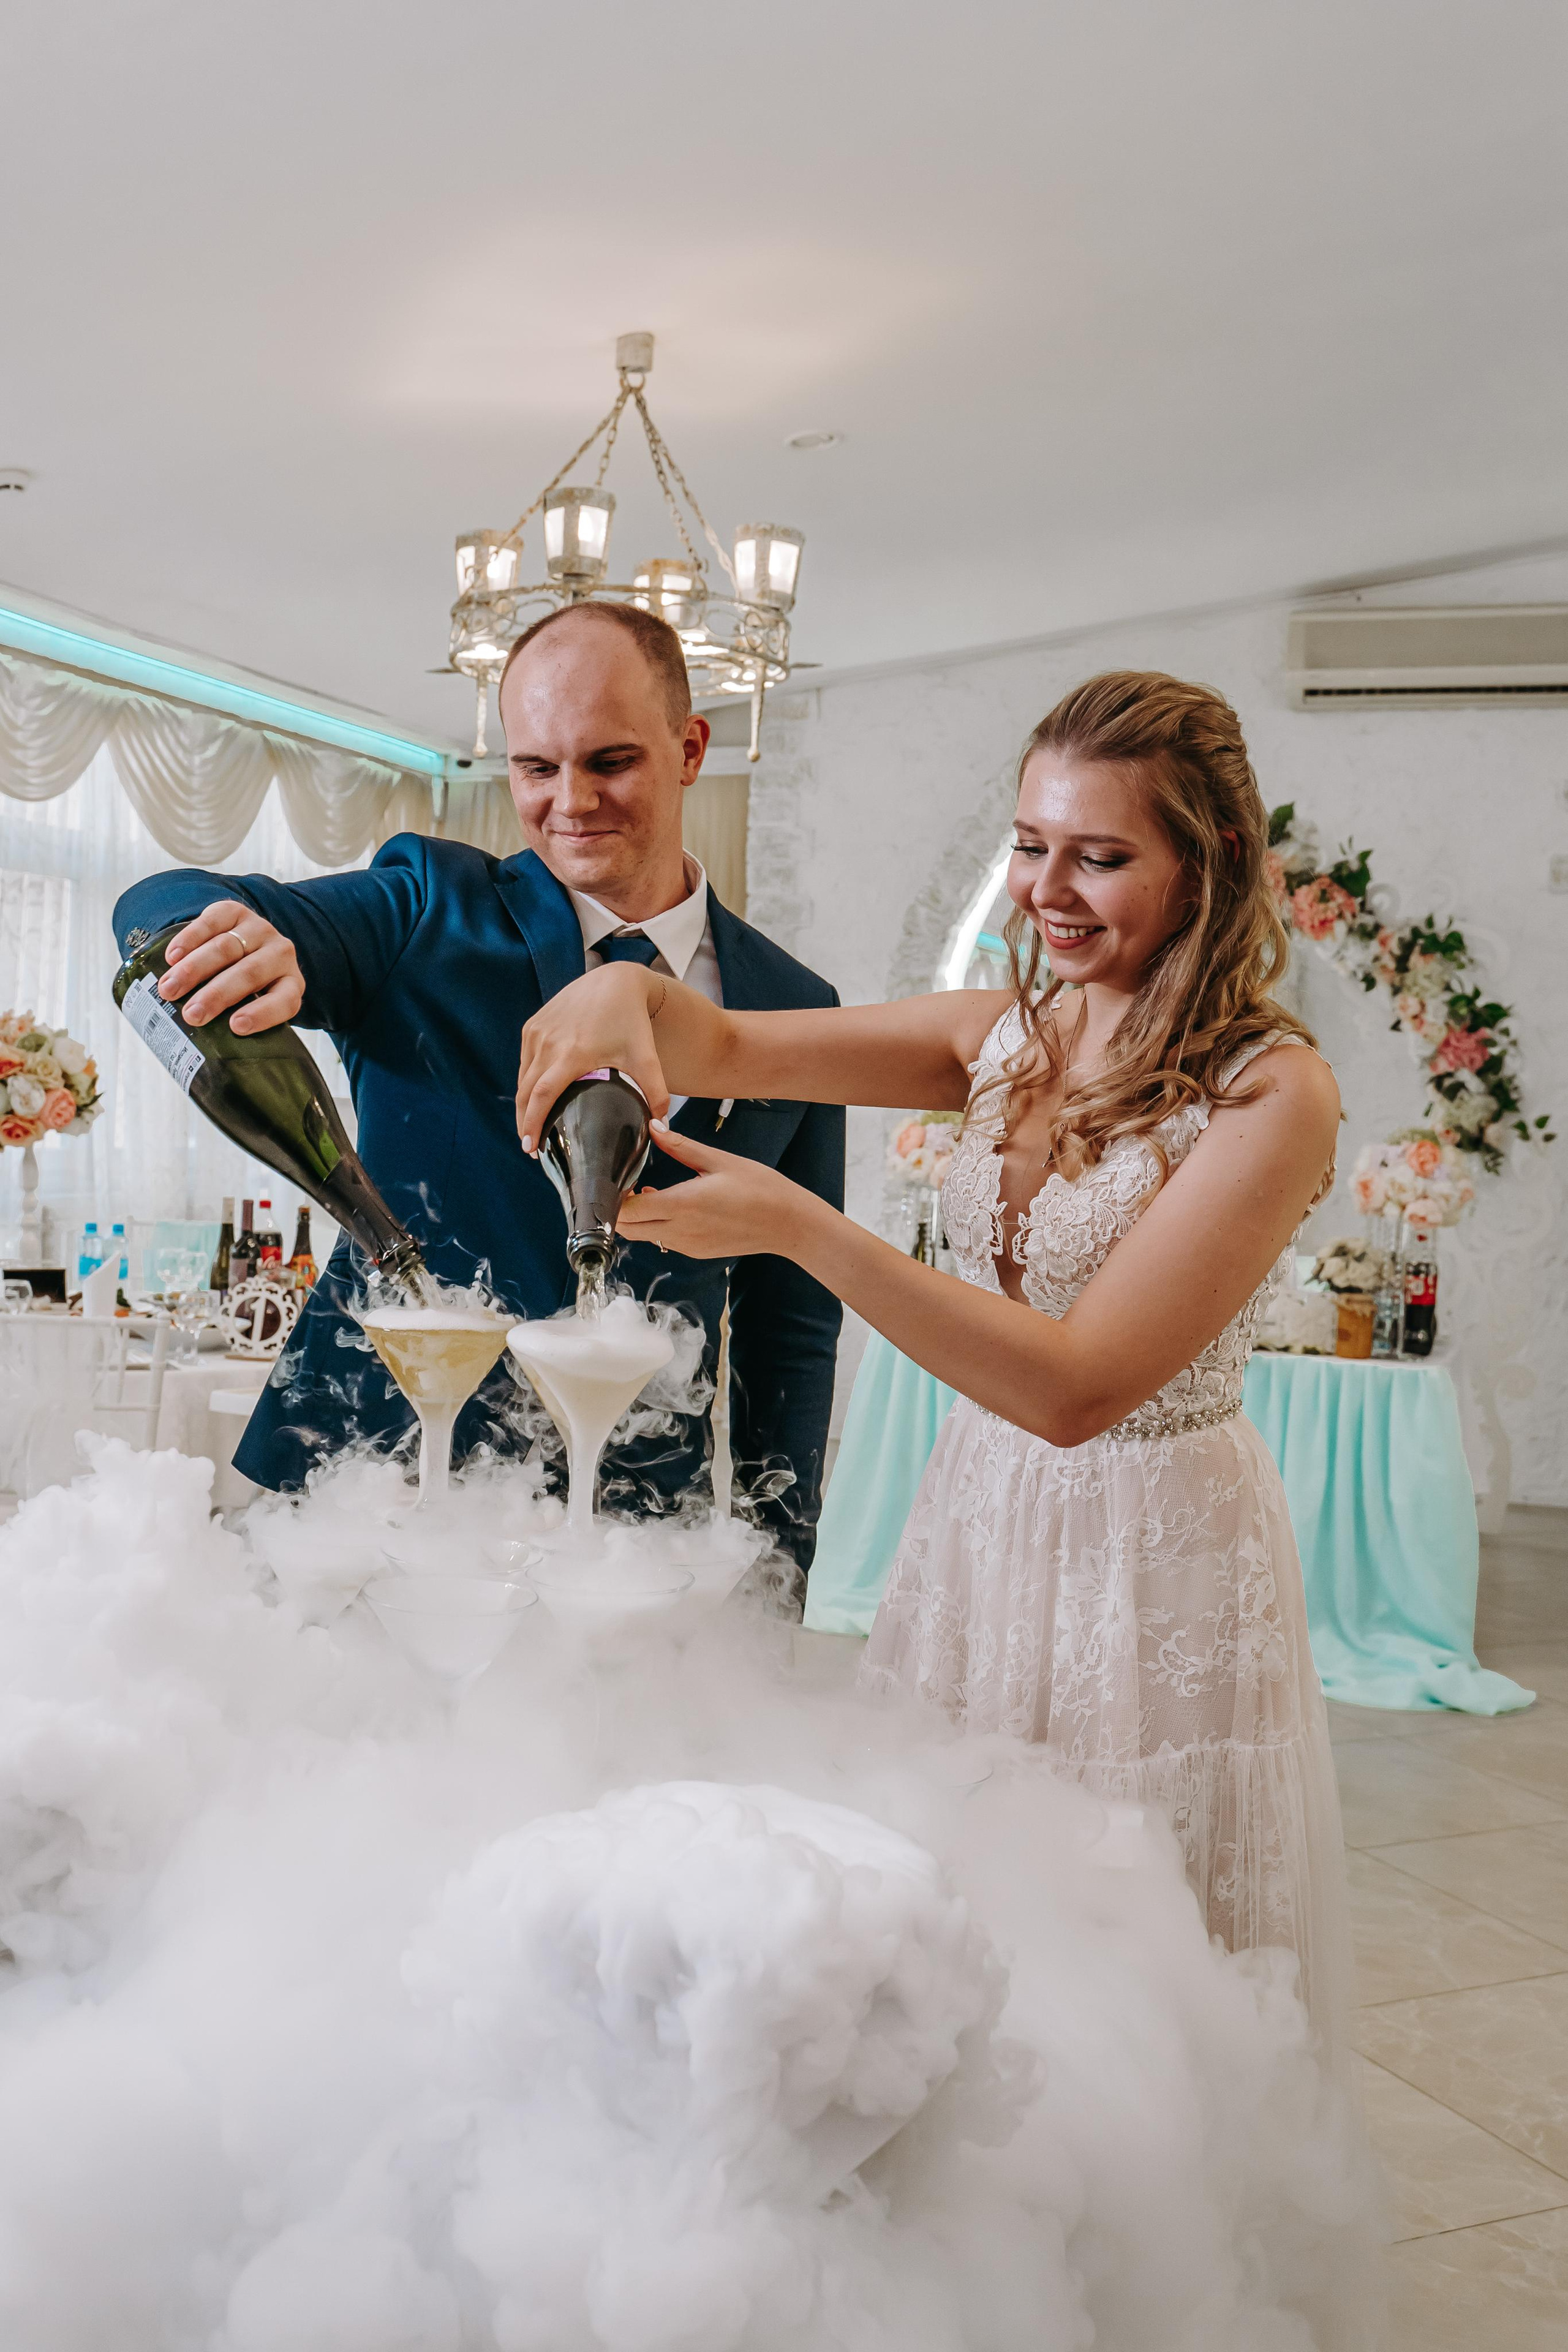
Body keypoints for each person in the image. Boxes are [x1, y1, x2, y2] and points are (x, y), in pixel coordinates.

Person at [515, 669, 1353, 2052]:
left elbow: (1076, 1389)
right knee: (946, 1913)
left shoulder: (1268, 1093)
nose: (1049, 890)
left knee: (1128, 1962)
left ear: (1213, 864)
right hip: (978, 1521)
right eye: (1029, 846)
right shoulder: (996, 1037)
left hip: (1151, 1551)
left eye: (1101, 856)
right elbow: (718, 1040)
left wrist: (796, 1226)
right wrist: (619, 985)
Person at [111, 603, 845, 1571]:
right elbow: (161, 901)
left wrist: (776, 1570)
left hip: (626, 1531)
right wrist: (209, 932)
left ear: (692, 747)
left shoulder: (796, 1007)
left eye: (610, 761)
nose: (569, 802)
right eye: (536, 767)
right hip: (363, 1492)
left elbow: (790, 1326)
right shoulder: (424, 908)